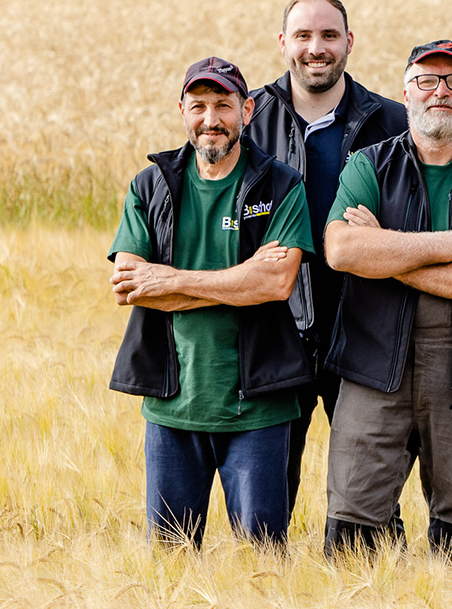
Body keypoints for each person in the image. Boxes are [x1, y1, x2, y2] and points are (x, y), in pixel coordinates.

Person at [320, 40, 452, 562]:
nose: (441, 92)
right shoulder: (369, 164)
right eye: (427, 80)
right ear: (405, 90)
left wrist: (387, 254)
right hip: (373, 366)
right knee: (352, 532)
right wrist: (451, 245)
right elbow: (342, 249)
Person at [107, 57, 312, 548]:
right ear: (182, 110)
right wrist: (238, 281)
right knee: (171, 562)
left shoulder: (280, 185)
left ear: (248, 109)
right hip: (174, 403)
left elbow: (275, 284)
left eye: (224, 105)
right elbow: (131, 286)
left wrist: (169, 280)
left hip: (258, 405)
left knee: (262, 560)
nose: (211, 118)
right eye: (198, 106)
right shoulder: (150, 185)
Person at [244, 0, 411, 511]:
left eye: (328, 35)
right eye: (303, 36)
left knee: (368, 494)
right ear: (282, 43)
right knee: (266, 496)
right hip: (273, 329)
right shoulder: (246, 117)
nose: (316, 48)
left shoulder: (394, 122)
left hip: (364, 325)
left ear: (349, 43)